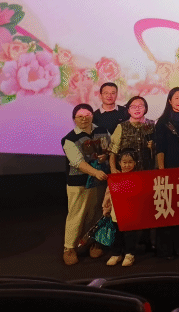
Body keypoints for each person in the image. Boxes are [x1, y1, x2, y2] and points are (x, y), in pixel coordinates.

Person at [61, 103, 109, 266]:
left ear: (92, 116)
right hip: (79, 183)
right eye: (80, 116)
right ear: (74, 119)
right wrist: (95, 172)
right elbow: (77, 162)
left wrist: (105, 157)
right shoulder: (69, 139)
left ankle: (94, 242)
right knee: (77, 215)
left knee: (97, 213)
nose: (84, 119)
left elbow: (108, 148)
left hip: (99, 182)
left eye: (87, 115)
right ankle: (69, 248)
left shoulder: (102, 131)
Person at [154, 87, 179, 259]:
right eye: (176, 98)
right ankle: (164, 249)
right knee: (166, 208)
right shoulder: (163, 121)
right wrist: (162, 170)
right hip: (168, 169)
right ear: (169, 101)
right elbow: (160, 148)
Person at [103, 150, 142, 267]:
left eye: (130, 162)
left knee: (130, 234)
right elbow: (108, 194)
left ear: (135, 163)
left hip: (131, 212)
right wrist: (106, 208)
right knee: (117, 234)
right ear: (119, 163)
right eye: (124, 162)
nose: (127, 165)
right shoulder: (115, 177)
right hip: (116, 212)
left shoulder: (138, 177)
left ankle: (129, 254)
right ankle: (116, 253)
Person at [109, 96, 155, 173]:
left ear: (145, 109)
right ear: (128, 110)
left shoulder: (153, 125)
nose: (137, 109)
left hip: (148, 172)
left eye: (140, 106)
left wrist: (153, 146)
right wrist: (113, 168)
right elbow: (113, 151)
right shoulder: (121, 127)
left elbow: (160, 150)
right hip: (127, 173)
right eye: (133, 107)